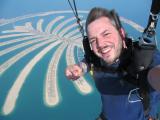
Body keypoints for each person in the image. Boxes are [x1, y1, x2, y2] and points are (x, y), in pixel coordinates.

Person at [65, 7, 160, 120]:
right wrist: (80, 67)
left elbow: (155, 73)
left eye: (106, 34)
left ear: (121, 33)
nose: (100, 44)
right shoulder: (97, 58)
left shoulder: (146, 59)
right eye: (93, 40)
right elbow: (89, 61)